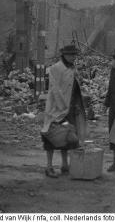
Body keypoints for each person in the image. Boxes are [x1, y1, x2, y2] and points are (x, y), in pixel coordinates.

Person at [41, 45, 87, 178]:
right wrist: (62, 107)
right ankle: (49, 167)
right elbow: (55, 89)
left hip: (69, 109)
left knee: (67, 137)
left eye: (74, 55)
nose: (73, 57)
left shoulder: (72, 68)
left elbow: (73, 89)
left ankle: (65, 164)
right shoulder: (56, 68)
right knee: (50, 137)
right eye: (71, 55)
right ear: (65, 55)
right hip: (56, 109)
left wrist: (75, 105)